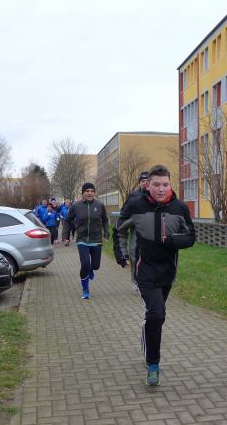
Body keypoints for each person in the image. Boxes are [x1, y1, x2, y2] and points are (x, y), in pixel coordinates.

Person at [115, 165, 195, 387]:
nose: (161, 189)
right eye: (156, 184)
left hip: (168, 271)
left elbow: (191, 237)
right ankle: (153, 365)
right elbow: (119, 229)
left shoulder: (179, 207)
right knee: (157, 314)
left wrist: (173, 240)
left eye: (165, 184)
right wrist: (121, 254)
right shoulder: (136, 205)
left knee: (155, 317)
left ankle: (148, 330)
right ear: (148, 185)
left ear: (170, 185)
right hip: (145, 270)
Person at [65, 183, 109, 299]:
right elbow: (67, 221)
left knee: (95, 266)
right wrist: (66, 236)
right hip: (82, 240)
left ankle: (91, 269)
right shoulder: (76, 206)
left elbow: (105, 220)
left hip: (96, 239)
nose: (90, 193)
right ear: (83, 193)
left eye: (92, 191)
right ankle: (85, 289)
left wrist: (106, 233)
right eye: (87, 191)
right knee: (84, 264)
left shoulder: (99, 205)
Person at [112, 171, 150, 290]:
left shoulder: (157, 196)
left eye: (147, 181)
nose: (145, 183)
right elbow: (124, 217)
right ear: (139, 183)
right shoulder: (133, 197)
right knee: (135, 257)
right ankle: (136, 281)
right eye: (142, 181)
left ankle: (147, 282)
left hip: (152, 234)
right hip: (136, 234)